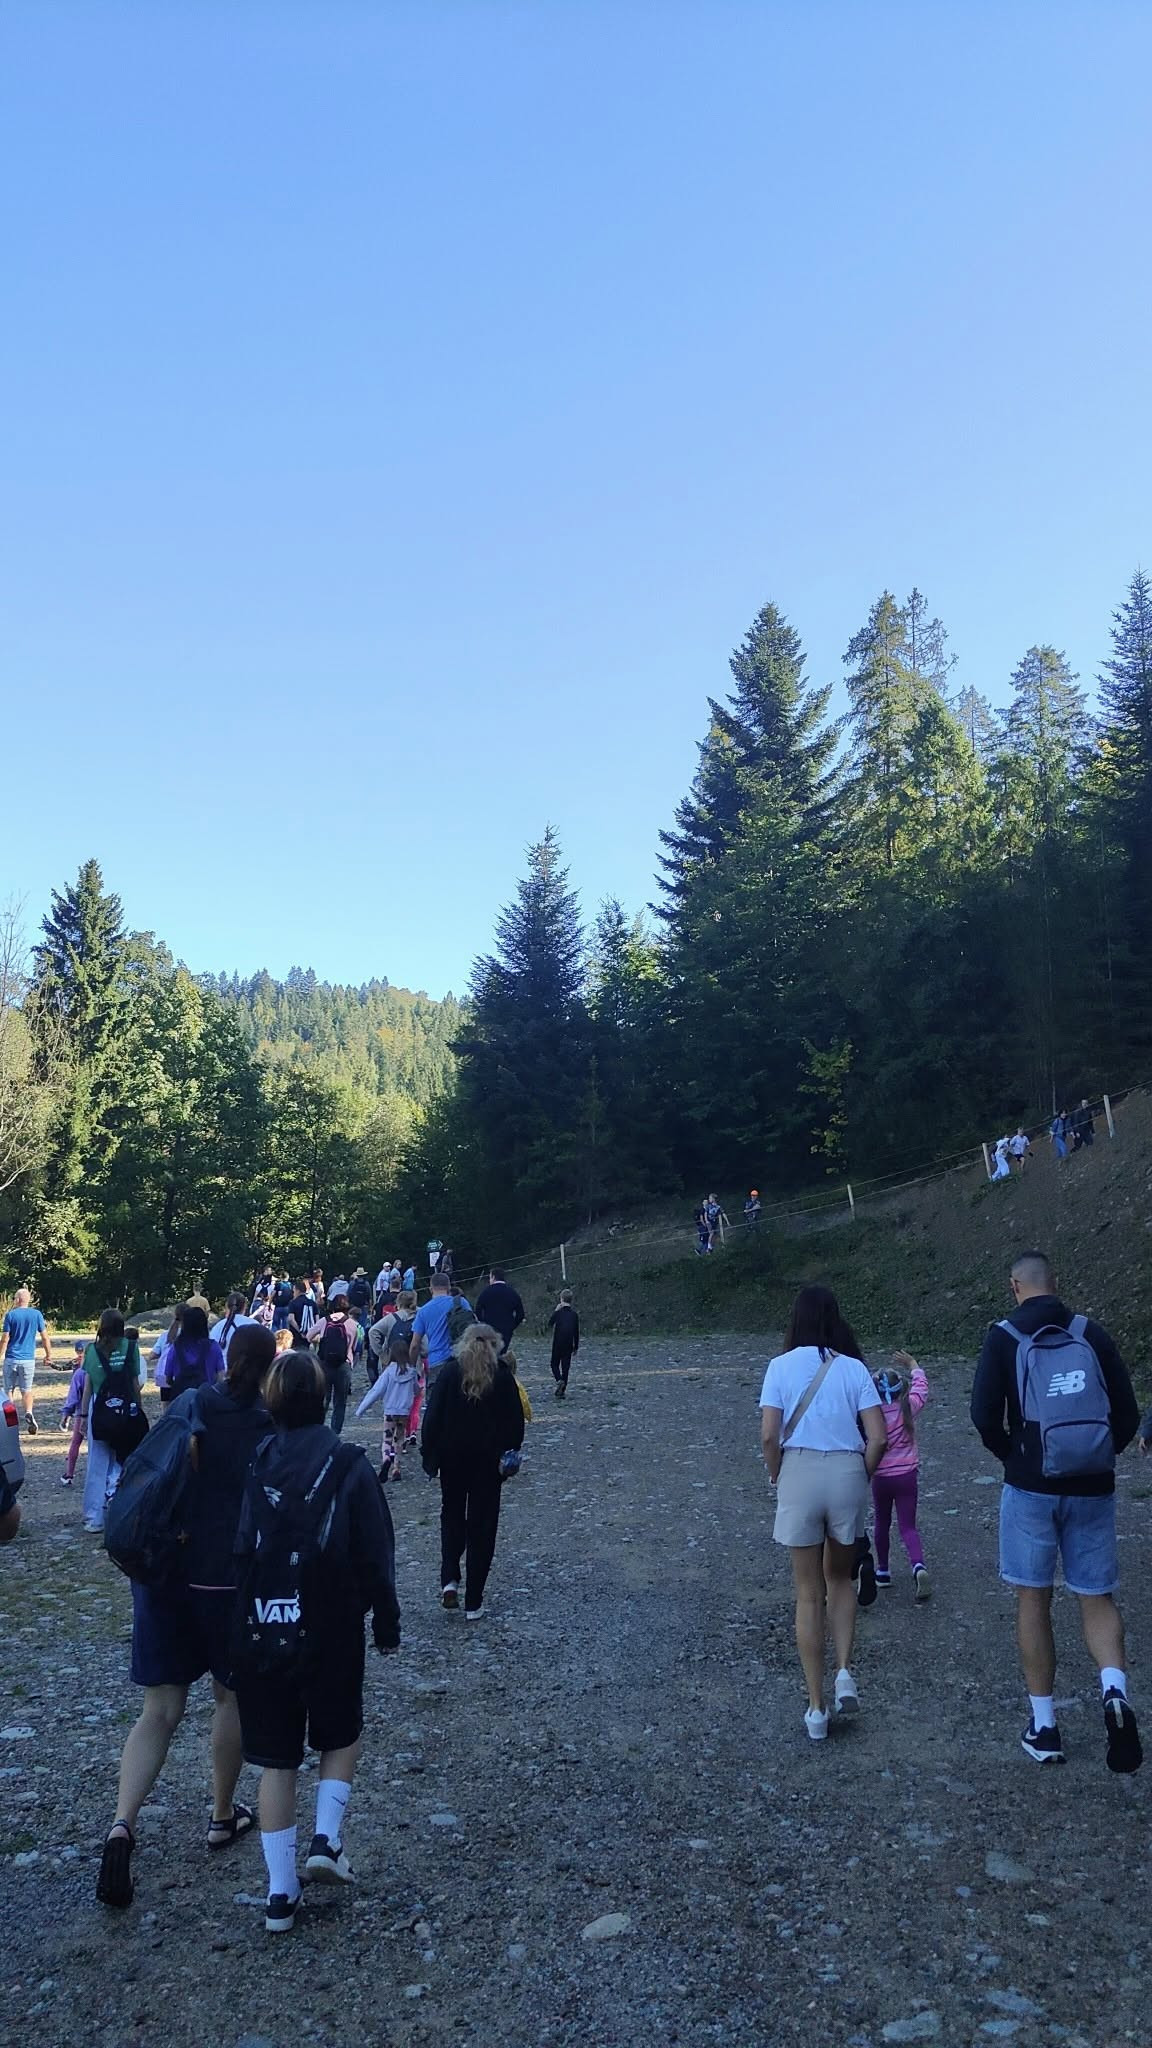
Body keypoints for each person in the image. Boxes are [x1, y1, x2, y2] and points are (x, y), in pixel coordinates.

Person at [94, 1324, 278, 1910]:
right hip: (225, 1581)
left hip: (165, 1574)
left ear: (229, 1360)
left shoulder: (191, 1403)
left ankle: (121, 1826)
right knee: (229, 1698)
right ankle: (222, 1816)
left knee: (159, 1712)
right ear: (269, 1370)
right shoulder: (267, 1425)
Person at [231, 1350, 399, 1934]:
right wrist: (386, 1620)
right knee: (340, 1732)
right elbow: (376, 1552)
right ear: (326, 1399)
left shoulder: (256, 1463)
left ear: (271, 1402)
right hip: (331, 1622)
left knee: (276, 1761)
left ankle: (280, 1894)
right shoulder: (349, 1464)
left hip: (264, 1622)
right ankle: (326, 1838)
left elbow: (241, 1548)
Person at [970, 1250, 1142, 1771]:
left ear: (1014, 1285)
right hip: (1093, 1486)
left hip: (1030, 1486)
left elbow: (983, 1415)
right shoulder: (1091, 1333)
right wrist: (1097, 1456)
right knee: (1096, 1597)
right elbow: (1128, 1413)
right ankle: (1113, 1690)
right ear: (1055, 1282)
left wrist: (1015, 1457)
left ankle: (1045, 1728)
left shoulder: (1003, 1337)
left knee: (1033, 1599)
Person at [758, 1286, 887, 1741]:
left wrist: (778, 1474)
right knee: (840, 1580)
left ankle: (816, 1709)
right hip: (847, 1471)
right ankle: (845, 1671)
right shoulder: (853, 1368)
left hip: (799, 1470)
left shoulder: (779, 1366)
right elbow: (879, 1437)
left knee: (808, 1593)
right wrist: (860, 1476)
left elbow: (769, 1435)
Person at [421, 1322, 525, 1619]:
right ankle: (474, 1601)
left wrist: (430, 1458)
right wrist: (509, 1453)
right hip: (488, 1465)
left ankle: (449, 1579)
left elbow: (432, 1418)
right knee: (483, 1527)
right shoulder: (502, 1377)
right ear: (495, 1344)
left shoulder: (449, 1373)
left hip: (452, 1461)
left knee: (451, 1517)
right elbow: (515, 1425)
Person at [870, 1353, 931, 1598]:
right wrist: (914, 1365)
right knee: (908, 1526)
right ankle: (918, 1565)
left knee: (881, 1522)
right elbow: (921, 1389)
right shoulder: (908, 1407)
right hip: (907, 1476)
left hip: (881, 1478)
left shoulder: (871, 1417)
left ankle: (883, 1571)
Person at [78, 1312, 144, 1534]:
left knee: (97, 1463)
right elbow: (135, 1383)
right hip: (125, 1407)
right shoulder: (131, 1348)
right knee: (124, 1459)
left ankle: (94, 1517)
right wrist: (138, 1410)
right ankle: (122, 1512)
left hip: (100, 1408)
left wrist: (82, 1416)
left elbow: (88, 1386)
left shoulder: (92, 1351)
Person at [356, 1332, 420, 1482]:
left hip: (390, 1410)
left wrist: (361, 1410)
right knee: (399, 1439)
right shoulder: (411, 1372)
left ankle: (386, 1459)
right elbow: (416, 1390)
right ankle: (396, 1467)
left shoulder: (388, 1372)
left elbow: (376, 1391)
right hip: (404, 1412)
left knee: (387, 1438)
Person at [0, 1286, 53, 1433]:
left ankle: (11, 1421)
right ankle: (29, 1412)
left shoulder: (10, 1315)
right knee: (27, 1390)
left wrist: (0, 1354)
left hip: (11, 1358)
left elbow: (5, 1339)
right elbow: (44, 1337)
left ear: (17, 1300)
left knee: (8, 1390)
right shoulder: (36, 1314)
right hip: (28, 1359)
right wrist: (48, 1355)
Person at [156, 1304, 225, 1406]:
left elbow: (168, 1378)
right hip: (206, 1400)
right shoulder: (213, 1346)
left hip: (181, 1400)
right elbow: (220, 1376)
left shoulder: (176, 1347)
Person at [309, 1292, 358, 1435]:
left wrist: (322, 1339)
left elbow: (309, 1336)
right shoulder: (352, 1324)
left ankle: (318, 1428)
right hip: (344, 1364)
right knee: (340, 1401)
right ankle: (335, 1432)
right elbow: (354, 1346)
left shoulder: (324, 1321)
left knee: (323, 1398)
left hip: (325, 1363)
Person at [408, 1270, 469, 1384]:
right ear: (449, 1287)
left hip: (437, 1361)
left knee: (436, 1394)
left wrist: (411, 1367)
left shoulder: (423, 1311)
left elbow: (415, 1344)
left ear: (430, 1289)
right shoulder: (461, 1303)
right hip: (461, 1359)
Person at [475, 1268, 526, 1357]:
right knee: (502, 1355)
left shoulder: (486, 1292)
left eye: (490, 1277)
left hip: (489, 1330)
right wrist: (512, 1326)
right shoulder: (512, 1292)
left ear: (493, 1277)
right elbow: (520, 1314)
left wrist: (483, 1323)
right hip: (506, 1329)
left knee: (490, 1355)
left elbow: (477, 1310)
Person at [60, 1345, 88, 1487]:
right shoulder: (102, 1371)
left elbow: (73, 1398)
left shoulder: (79, 1374)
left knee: (76, 1443)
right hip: (99, 1413)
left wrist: (66, 1414)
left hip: (81, 1413)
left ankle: (69, 1474)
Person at [548, 1289, 580, 1399]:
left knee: (554, 1364)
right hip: (569, 1344)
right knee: (565, 1367)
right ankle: (562, 1389)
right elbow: (576, 1331)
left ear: (561, 1299)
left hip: (558, 1343)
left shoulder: (559, 1313)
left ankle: (559, 1380)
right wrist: (576, 1346)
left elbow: (550, 1323)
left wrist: (556, 1310)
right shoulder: (574, 1315)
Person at [211, 1293, 258, 1360]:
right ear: (244, 1307)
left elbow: (210, 1351)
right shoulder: (255, 1325)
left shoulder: (219, 1326)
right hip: (247, 1365)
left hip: (223, 1365)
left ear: (227, 1306)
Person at [287, 1280, 315, 1349]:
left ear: (297, 1291)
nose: (293, 1293)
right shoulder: (312, 1303)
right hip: (308, 1333)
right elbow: (316, 1319)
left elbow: (291, 1319)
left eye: (294, 1291)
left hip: (296, 1333)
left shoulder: (293, 1303)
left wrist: (300, 1331)